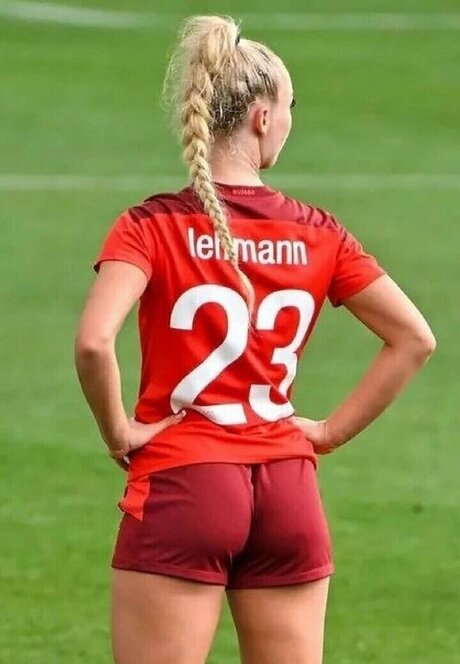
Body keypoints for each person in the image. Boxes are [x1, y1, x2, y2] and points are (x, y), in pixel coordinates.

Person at [74, 15, 436, 664]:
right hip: (288, 490)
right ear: (263, 117)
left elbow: (95, 343)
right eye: (291, 106)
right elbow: (414, 338)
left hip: (184, 484)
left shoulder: (149, 225)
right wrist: (327, 433)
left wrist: (119, 432)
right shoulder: (319, 231)